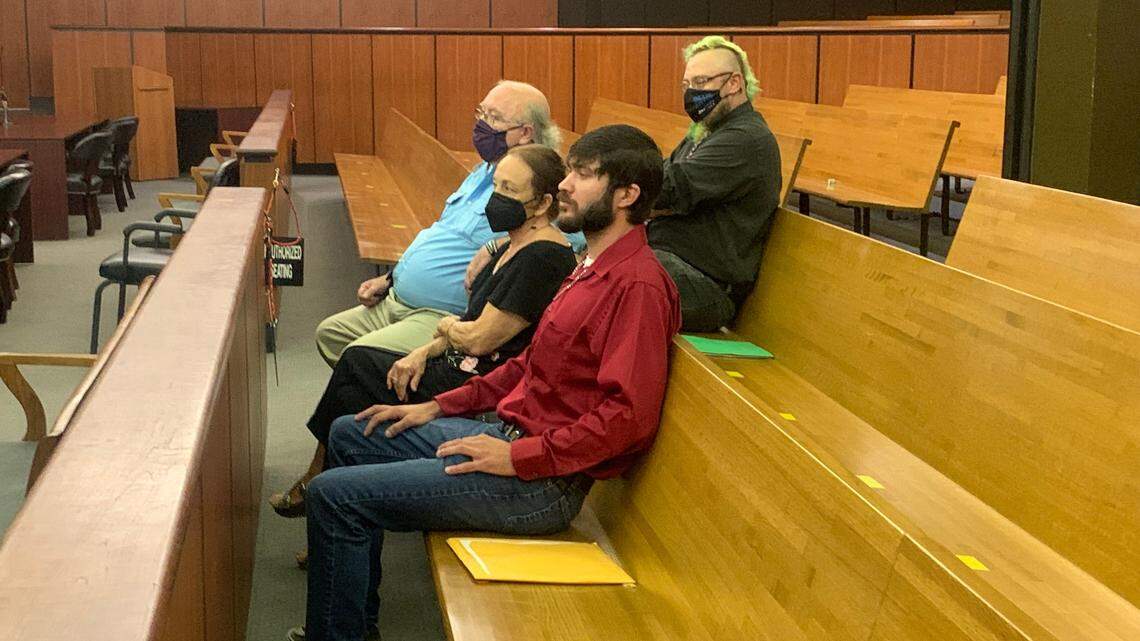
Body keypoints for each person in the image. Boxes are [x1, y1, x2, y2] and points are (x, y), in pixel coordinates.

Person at [289, 125, 680, 641]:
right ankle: (353, 626)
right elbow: (528, 365)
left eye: (583, 176)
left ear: (627, 195)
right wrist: (436, 407)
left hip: (540, 484)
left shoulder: (637, 286)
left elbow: (627, 421)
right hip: (511, 444)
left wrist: (516, 459)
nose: (565, 184)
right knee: (349, 432)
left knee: (336, 497)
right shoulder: (590, 266)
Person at [270, 145, 576, 518]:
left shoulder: (543, 257)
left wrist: (444, 327)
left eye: (509, 191)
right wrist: (421, 352)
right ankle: (332, 489)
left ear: (543, 203)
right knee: (360, 369)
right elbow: (468, 325)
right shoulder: (507, 245)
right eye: (495, 186)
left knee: (360, 371)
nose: (496, 198)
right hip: (458, 361)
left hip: (485, 381)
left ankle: (327, 487)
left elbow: (480, 338)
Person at [314, 80, 565, 368]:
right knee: (330, 334)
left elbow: (566, 243)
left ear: (525, 133)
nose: (482, 124)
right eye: (481, 113)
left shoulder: (541, 183)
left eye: (494, 118)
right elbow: (442, 231)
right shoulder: (483, 171)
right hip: (396, 297)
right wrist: (391, 277)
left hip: (440, 313)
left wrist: (497, 244)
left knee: (357, 358)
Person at [648, 35, 782, 332]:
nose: (691, 93)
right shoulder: (705, 131)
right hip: (675, 263)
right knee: (603, 263)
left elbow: (667, 189)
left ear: (734, 83)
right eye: (686, 85)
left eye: (701, 81)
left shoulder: (746, 139)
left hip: (707, 287)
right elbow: (663, 185)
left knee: (620, 274)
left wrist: (616, 179)